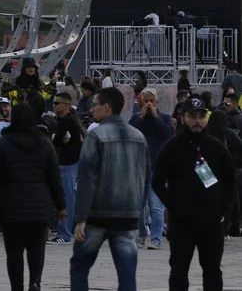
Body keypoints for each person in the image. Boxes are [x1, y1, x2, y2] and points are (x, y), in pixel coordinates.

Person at [70, 87, 149, 291]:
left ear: (107, 107)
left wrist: (80, 218)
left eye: (95, 105)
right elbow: (145, 178)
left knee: (79, 266)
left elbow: (87, 178)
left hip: (98, 214)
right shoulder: (139, 136)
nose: (92, 109)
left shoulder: (95, 136)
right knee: (127, 274)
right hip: (128, 215)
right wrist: (139, 212)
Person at [152, 96, 234, 291]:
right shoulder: (171, 148)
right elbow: (157, 182)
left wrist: (223, 211)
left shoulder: (216, 147)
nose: (197, 121)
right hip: (182, 224)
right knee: (179, 271)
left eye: (201, 116)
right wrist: (174, 206)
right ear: (182, 118)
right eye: (192, 116)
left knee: (213, 271)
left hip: (211, 222)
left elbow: (230, 181)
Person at [0, 103, 65, 291]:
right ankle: (35, 281)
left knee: (14, 252)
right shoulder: (44, 143)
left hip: (11, 207)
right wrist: (61, 206)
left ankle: (17, 287)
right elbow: (54, 177)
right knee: (37, 249)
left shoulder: (3, 144)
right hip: (39, 206)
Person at [128, 86, 173, 250]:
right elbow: (130, 135)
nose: (148, 104)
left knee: (156, 206)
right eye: (145, 101)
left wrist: (156, 117)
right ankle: (140, 236)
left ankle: (156, 239)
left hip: (157, 167)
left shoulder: (165, 118)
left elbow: (169, 135)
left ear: (157, 102)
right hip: (139, 166)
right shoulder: (135, 118)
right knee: (139, 206)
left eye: (151, 101)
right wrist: (141, 117)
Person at [49, 91, 84, 245]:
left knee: (66, 199)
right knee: (71, 198)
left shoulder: (65, 122)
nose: (54, 105)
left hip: (66, 164)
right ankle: (67, 231)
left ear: (66, 105)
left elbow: (55, 142)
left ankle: (64, 233)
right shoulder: (73, 119)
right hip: (74, 163)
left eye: (57, 103)